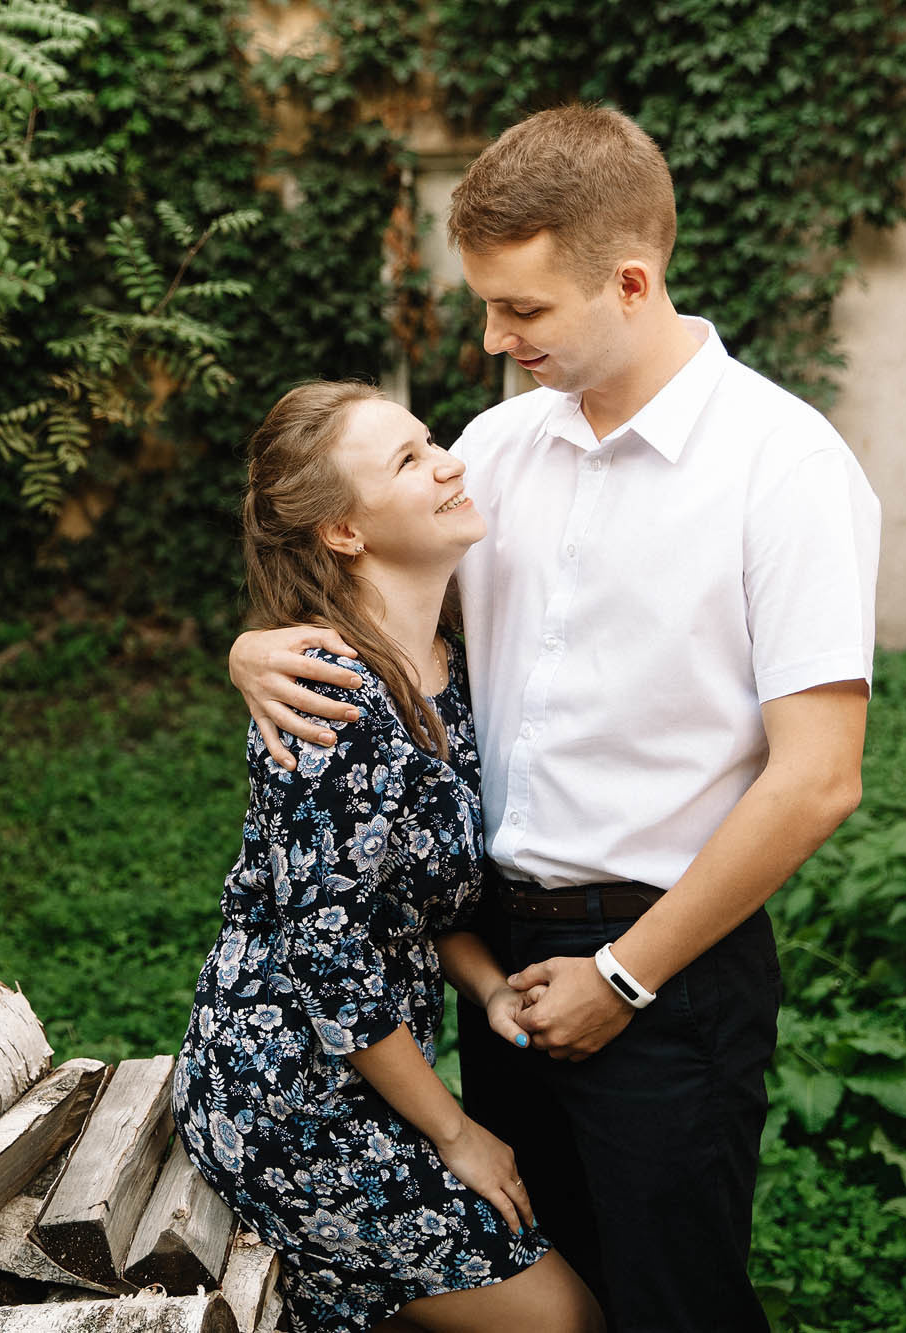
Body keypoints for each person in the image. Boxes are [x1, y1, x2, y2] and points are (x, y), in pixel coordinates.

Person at [229, 105, 880, 1332]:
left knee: (669, 1304)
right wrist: (250, 646)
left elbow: (816, 780)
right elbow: (382, 612)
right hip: (488, 958)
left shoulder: (781, 468)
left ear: (629, 281)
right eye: (484, 303)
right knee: (546, 1290)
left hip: (666, 964)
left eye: (521, 310)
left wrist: (623, 979)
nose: (491, 336)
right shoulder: (495, 446)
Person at [173, 381, 603, 1333]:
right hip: (287, 1089)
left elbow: (413, 903)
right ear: (343, 533)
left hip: (368, 1070)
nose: (450, 461)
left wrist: (487, 986)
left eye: (432, 439)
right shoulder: (330, 698)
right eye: (408, 460)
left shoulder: (446, 665)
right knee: (563, 1319)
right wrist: (456, 1132)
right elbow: (330, 962)